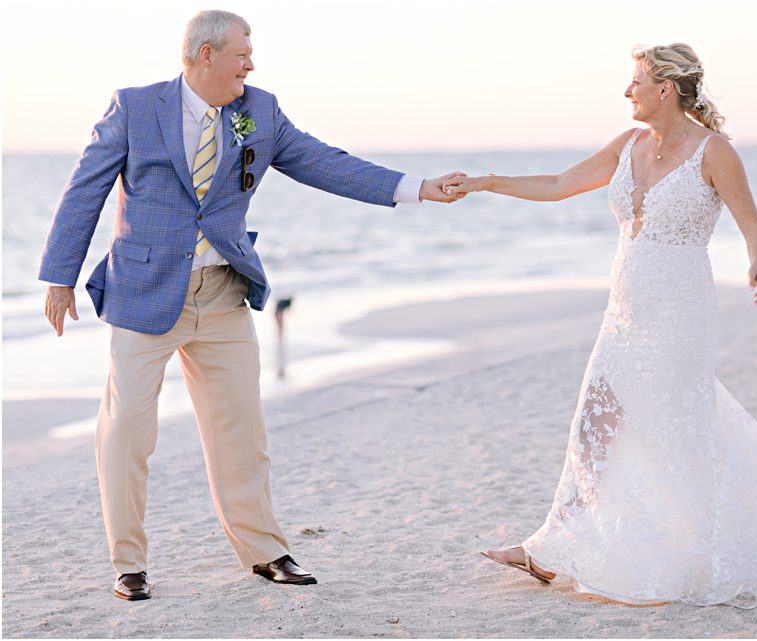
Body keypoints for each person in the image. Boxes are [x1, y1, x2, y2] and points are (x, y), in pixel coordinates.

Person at [39, 10, 464, 601]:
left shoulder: (258, 111)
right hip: (142, 294)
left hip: (222, 294)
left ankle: (265, 553)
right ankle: (128, 563)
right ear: (205, 55)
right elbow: (85, 188)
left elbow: (324, 162)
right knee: (127, 430)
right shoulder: (135, 108)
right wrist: (59, 277)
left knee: (242, 429)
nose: (251, 63)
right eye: (242, 52)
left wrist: (416, 187)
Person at [443, 43, 757, 609]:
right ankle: (548, 548)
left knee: (677, 429)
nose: (627, 92)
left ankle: (703, 551)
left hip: (680, 312)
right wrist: (485, 183)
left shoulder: (715, 152)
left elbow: (753, 225)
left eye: (636, 82)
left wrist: (756, 265)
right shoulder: (629, 143)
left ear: (666, 88)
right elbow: (559, 184)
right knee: (594, 427)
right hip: (623, 313)